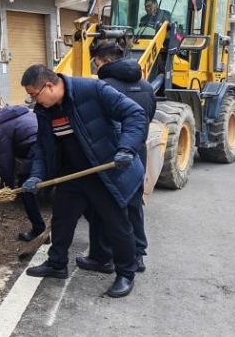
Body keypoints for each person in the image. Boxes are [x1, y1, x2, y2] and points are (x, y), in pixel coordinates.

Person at [20, 64, 146, 298]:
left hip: (104, 171)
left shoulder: (93, 90)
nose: (33, 101)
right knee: (62, 220)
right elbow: (42, 146)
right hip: (73, 173)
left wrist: (127, 147)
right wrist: (37, 174)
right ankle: (57, 264)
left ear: (49, 86)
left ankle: (126, 272)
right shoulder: (45, 111)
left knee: (116, 224)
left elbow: (135, 113)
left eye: (33, 95)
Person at [75, 42, 157, 275]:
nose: (95, 65)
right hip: (136, 152)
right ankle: (138, 255)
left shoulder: (102, 87)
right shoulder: (146, 85)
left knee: (104, 206)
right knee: (133, 204)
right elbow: (146, 117)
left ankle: (103, 257)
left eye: (97, 61)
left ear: (106, 61)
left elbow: (97, 125)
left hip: (110, 156)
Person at [0, 104, 47, 242]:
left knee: (25, 186)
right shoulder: (20, 112)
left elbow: (6, 162)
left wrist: (8, 188)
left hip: (38, 147)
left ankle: (39, 230)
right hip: (51, 142)